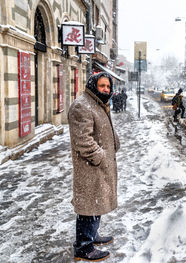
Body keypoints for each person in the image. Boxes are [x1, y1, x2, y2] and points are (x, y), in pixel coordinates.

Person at [68, 72, 120, 262]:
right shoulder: (82, 106)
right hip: (90, 167)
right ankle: (83, 247)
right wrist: (100, 156)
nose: (106, 89)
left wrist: (114, 143)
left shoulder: (98, 104)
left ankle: (92, 235)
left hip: (99, 167)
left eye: (108, 86)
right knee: (88, 206)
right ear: (93, 86)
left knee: (96, 202)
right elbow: (82, 140)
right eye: (102, 86)